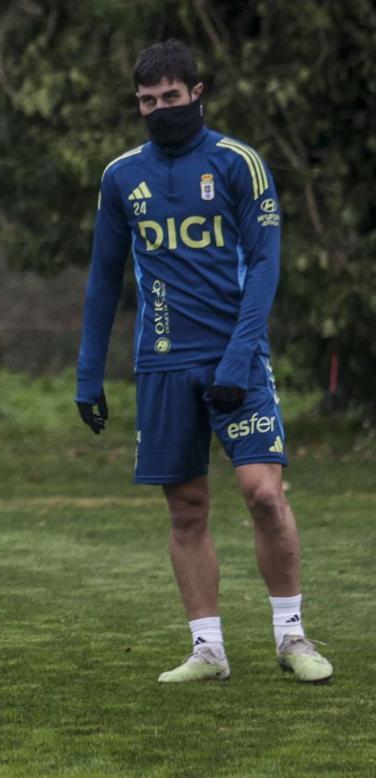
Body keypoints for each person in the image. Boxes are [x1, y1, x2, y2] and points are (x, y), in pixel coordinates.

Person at [75, 40, 332, 684]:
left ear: (197, 92)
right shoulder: (120, 177)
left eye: (170, 97)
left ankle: (292, 636)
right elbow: (104, 280)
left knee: (264, 495)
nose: (160, 110)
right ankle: (208, 649)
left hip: (234, 359)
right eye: (147, 101)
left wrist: (239, 360)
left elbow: (266, 266)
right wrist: (88, 374)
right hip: (162, 366)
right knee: (186, 509)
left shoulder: (239, 163)